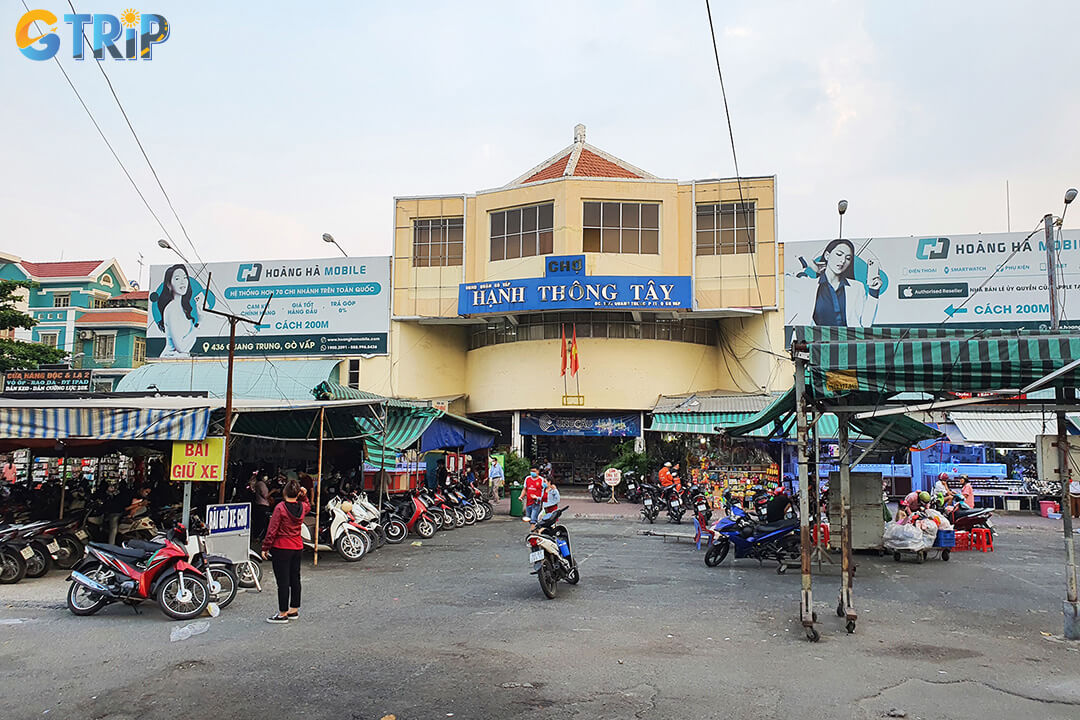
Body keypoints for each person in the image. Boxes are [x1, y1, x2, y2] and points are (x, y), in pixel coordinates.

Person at [788, 238, 882, 327]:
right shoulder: (808, 285)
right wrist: (809, 264)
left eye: (848, 258)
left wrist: (874, 292)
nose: (843, 261)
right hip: (815, 338)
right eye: (839, 254)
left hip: (848, 338)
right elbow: (783, 274)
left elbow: (865, 324)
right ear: (827, 256)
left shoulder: (857, 287)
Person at [262, 480, 309, 624]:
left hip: (281, 547)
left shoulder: (280, 508)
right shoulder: (302, 506)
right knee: (295, 579)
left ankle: (282, 613)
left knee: (283, 581)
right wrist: (304, 496)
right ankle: (293, 609)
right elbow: (308, 505)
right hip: (297, 546)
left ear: (284, 492)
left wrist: (265, 547)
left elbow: (272, 529)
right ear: (298, 494)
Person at [154, 264, 203, 358]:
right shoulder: (171, 309)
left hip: (180, 360)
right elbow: (181, 348)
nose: (182, 282)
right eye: (177, 279)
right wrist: (199, 323)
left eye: (185, 278)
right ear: (169, 285)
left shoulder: (183, 308)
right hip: (169, 360)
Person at [250, 473, 271, 539]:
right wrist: (273, 491)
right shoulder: (261, 484)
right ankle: (260, 536)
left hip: (259, 504)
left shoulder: (258, 484)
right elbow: (265, 495)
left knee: (259, 522)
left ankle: (257, 536)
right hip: (263, 505)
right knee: (262, 522)